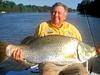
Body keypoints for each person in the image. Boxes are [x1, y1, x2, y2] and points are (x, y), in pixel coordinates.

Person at [11, 2, 99, 75]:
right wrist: (22, 58)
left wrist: (95, 51)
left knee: (82, 72)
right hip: (49, 63)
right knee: (47, 72)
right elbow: (33, 48)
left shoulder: (73, 29)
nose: (56, 15)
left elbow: (83, 49)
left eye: (59, 13)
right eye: (53, 12)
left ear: (65, 15)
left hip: (72, 64)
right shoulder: (43, 26)